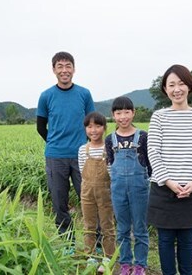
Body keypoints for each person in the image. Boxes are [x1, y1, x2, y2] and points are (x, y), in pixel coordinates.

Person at [147, 64, 192, 275]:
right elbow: (153, 152)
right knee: (165, 240)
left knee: (187, 241)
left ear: (189, 87)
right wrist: (170, 182)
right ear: (165, 90)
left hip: (191, 190)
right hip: (164, 189)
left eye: (181, 83)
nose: (177, 89)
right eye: (171, 85)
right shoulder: (159, 116)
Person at [36, 51, 95, 249]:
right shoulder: (46, 96)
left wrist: (84, 145)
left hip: (81, 156)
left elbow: (92, 123)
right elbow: (40, 127)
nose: (64, 70)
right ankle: (68, 244)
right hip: (55, 157)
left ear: (74, 69)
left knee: (88, 199)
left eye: (68, 66)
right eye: (60, 66)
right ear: (54, 70)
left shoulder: (84, 94)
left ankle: (95, 242)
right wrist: (54, 142)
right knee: (59, 203)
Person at [105, 96, 151, 275]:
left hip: (139, 188)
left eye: (126, 112)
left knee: (140, 228)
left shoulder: (143, 137)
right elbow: (110, 164)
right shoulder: (110, 139)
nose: (123, 116)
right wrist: (115, 182)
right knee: (122, 228)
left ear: (133, 113)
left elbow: (149, 165)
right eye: (118, 113)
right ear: (113, 115)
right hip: (117, 189)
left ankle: (140, 265)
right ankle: (125, 264)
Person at [78, 111, 115, 273]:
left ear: (105, 128)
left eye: (98, 126)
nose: (94, 130)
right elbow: (81, 171)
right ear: (85, 129)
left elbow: (112, 172)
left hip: (106, 193)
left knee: (107, 225)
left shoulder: (109, 148)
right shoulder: (82, 150)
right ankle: (90, 256)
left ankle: (108, 257)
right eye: (89, 126)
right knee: (89, 225)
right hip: (86, 193)